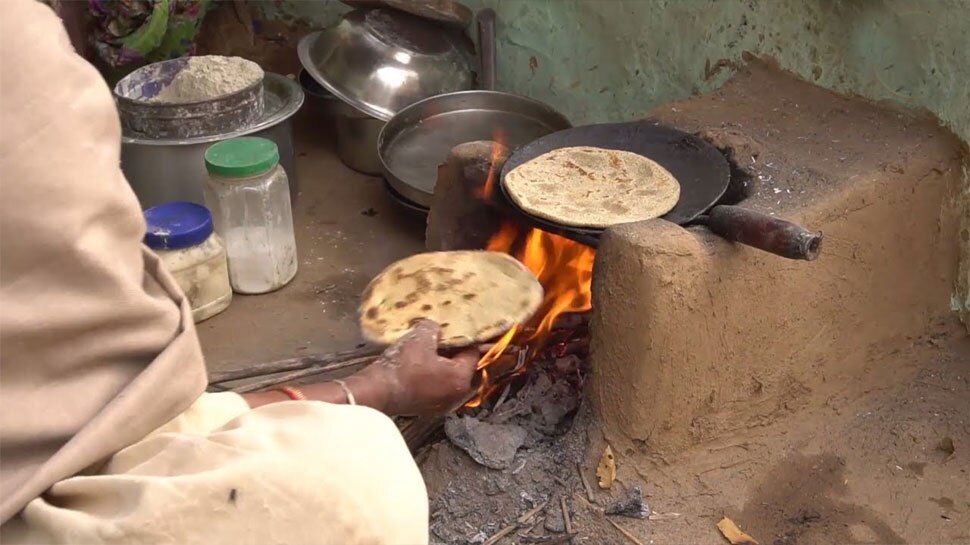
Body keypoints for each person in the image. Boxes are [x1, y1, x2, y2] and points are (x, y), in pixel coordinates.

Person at [0, 0, 479, 543]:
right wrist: (380, 389)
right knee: (362, 484)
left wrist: (382, 385)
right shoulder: (17, 58)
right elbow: (125, 434)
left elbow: (129, 423)